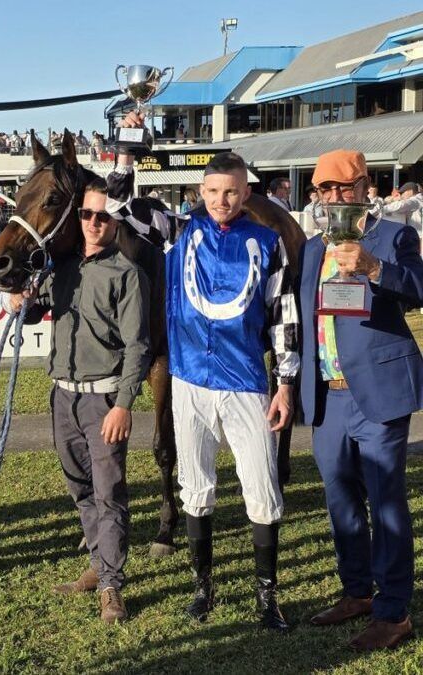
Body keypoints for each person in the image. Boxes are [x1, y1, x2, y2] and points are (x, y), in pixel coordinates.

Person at [116, 112, 299, 630]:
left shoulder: (267, 241)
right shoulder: (177, 232)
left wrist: (286, 383)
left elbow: (284, 316)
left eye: (232, 191)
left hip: (246, 383)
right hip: (190, 381)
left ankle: (267, 597)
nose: (222, 200)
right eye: (214, 191)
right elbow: (119, 207)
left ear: (246, 193)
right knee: (196, 488)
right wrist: (127, 147)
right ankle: (203, 588)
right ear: (202, 191)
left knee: (261, 488)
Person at [6, 177, 151, 624]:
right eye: (86, 214)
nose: (93, 222)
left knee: (109, 494)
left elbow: (138, 347)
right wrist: (21, 299)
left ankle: (111, 585)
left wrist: (123, 404)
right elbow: (35, 308)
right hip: (62, 396)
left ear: (114, 221)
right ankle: (98, 565)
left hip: (103, 400)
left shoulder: (127, 274)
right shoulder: (61, 268)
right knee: (80, 489)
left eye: (102, 216)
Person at [299, 149, 423, 651]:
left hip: (378, 391)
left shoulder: (393, 236)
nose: (334, 196)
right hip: (326, 394)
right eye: (324, 189)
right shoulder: (312, 249)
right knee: (340, 499)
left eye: (343, 186)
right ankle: (357, 592)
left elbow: (418, 289)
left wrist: (374, 269)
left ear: (365, 186)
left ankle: (393, 613)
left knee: (386, 502)